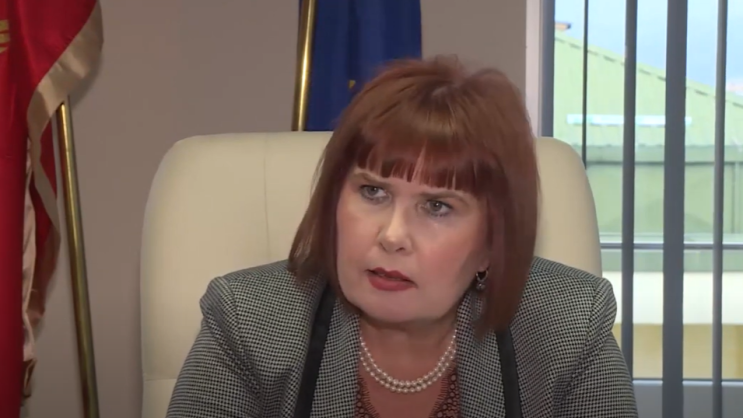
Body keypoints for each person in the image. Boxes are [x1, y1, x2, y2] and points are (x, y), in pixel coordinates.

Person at [165, 56, 638, 418]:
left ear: (492, 241)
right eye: (373, 192)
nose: (392, 236)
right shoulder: (249, 321)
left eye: (437, 206)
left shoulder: (568, 325)